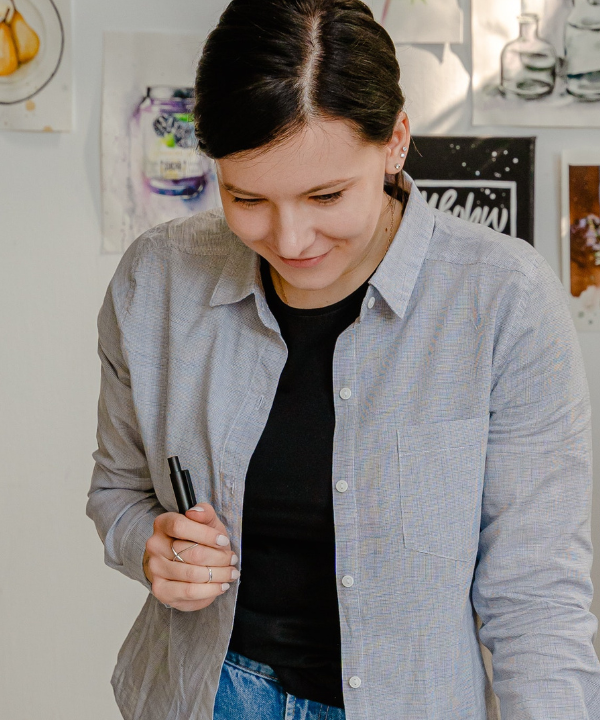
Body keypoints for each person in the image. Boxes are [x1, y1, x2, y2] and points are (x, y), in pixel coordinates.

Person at [86, 1, 600, 719]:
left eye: (326, 195)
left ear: (395, 143)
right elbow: (116, 492)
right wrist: (152, 545)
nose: (291, 239)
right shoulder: (157, 283)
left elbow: (538, 600)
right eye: (248, 197)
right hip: (204, 695)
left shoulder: (502, 300)